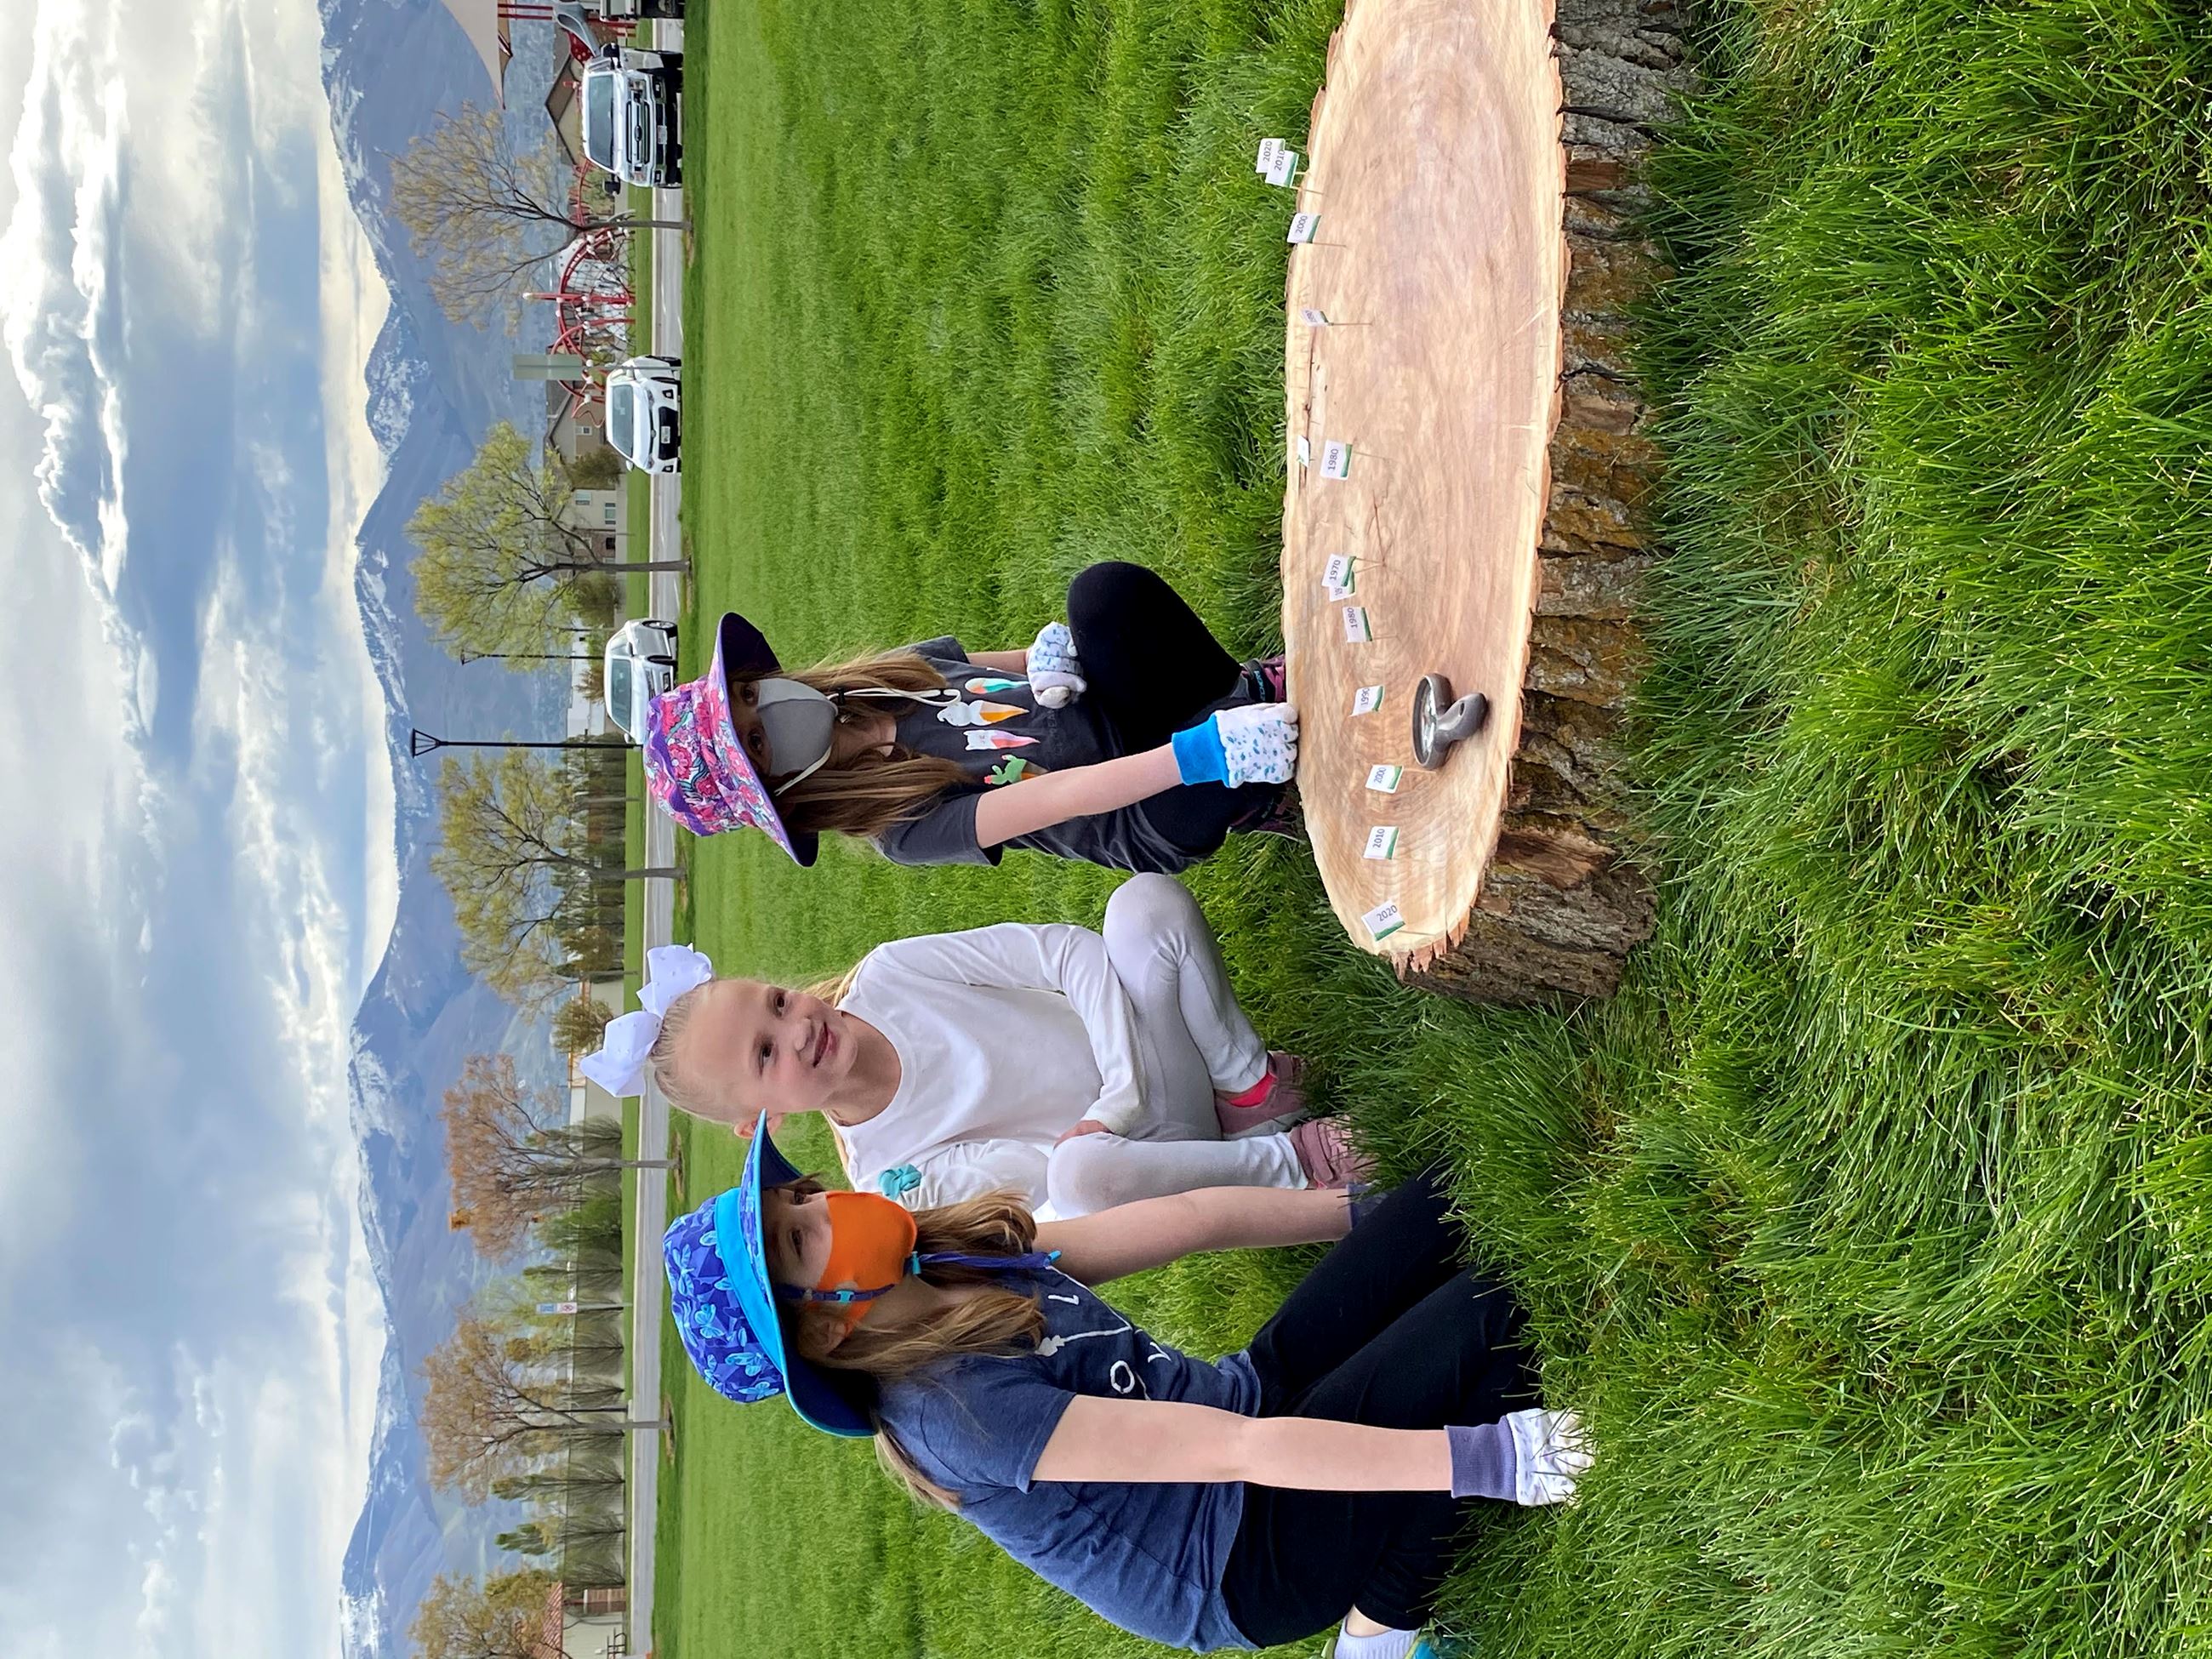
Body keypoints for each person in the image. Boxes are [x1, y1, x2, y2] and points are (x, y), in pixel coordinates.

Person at [663, 1131, 1593, 1659]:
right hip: (1240, 1557)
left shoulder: (945, 1252)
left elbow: (1183, 1224)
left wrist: (1374, 1223)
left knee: (1453, 1191)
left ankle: (1408, 1523)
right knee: (1495, 1313)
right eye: (798, 1243)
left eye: (800, 1202)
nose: (822, 1209)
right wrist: (1496, 1458)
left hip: (1243, 1403)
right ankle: (1378, 1627)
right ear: (823, 1330)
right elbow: (1228, 1457)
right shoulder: (954, 1411)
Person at [579, 876, 1366, 1217]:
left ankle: (1253, 1092)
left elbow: (1063, 951)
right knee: (1078, 1175)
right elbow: (1044, 1193)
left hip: (1151, 1069)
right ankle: (1293, 1165)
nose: (798, 1029)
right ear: (761, 1122)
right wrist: (1120, 1123)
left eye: (778, 1004)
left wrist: (1121, 1089)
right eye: (765, 1056)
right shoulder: (894, 1175)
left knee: (1140, 908)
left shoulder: (892, 975)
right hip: (1150, 1161)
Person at [641, 561, 1300, 873]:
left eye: (752, 696)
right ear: (780, 792)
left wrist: (1049, 659)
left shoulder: (886, 679)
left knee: (1101, 596)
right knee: (1216, 757)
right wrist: (1199, 755)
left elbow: (1004, 666)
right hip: (1139, 811)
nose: (775, 710)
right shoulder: (901, 829)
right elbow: (1063, 795)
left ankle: (1236, 699)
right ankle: (1250, 794)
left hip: (1127, 719)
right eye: (759, 740)